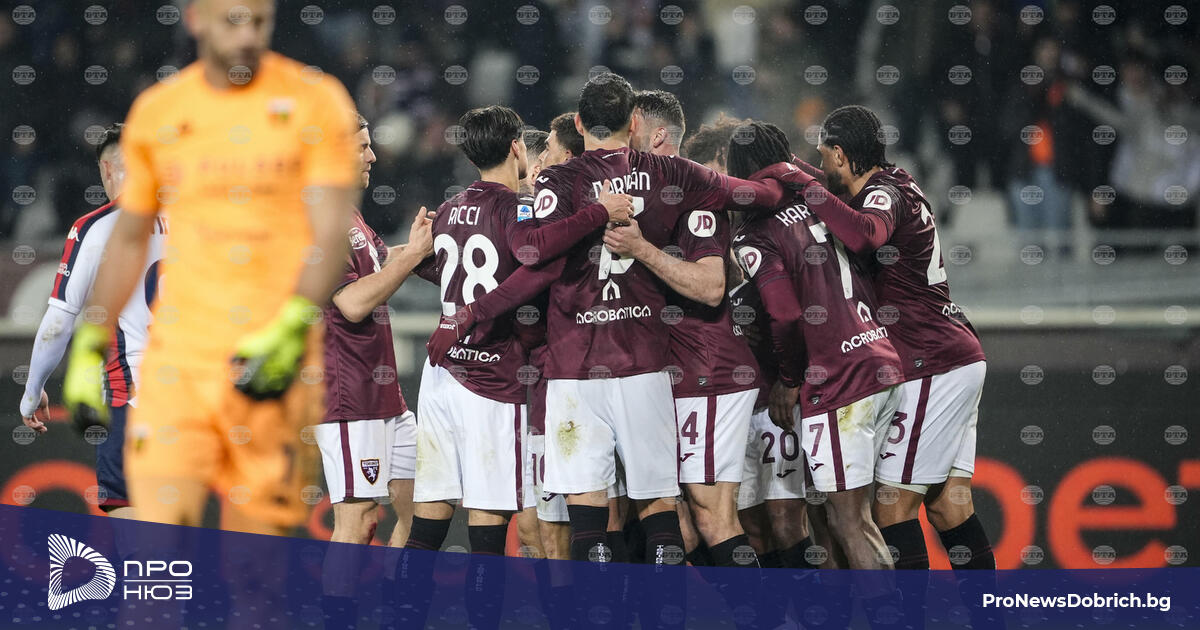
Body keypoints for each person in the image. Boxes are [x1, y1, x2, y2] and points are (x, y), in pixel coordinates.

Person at [425, 73, 801, 569]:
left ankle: (596, 607)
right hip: (644, 365)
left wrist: (470, 312)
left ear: (580, 124)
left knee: (590, 519)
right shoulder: (673, 173)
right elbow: (760, 196)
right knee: (660, 509)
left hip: (574, 369)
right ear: (635, 121)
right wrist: (798, 177)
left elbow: (535, 257)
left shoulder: (558, 181)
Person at [62, 0, 360, 536]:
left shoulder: (316, 102)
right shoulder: (160, 111)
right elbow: (128, 239)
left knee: (257, 564)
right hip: (177, 370)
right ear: (196, 19)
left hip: (268, 369)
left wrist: (293, 323)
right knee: (155, 548)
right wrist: (89, 342)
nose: (248, 36)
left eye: (260, 21)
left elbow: (330, 232)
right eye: (233, 21)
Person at [798, 105, 998, 627]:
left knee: (891, 506)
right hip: (955, 356)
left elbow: (867, 234)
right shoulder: (898, 183)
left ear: (841, 154)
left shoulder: (881, 194)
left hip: (929, 361)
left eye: (824, 158)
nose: (822, 168)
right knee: (950, 507)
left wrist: (805, 187)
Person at [728, 121, 902, 573]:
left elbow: (785, 314)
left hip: (839, 379)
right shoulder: (822, 201)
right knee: (831, 516)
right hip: (881, 360)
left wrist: (789, 380)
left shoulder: (753, 233)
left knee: (850, 522)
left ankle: (895, 611)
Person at [606, 90, 762, 569]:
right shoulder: (648, 198)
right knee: (677, 518)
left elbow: (712, 287)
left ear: (655, 136)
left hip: (707, 370)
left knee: (714, 516)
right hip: (669, 373)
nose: (622, 146)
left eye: (629, 133)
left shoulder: (692, 199)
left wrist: (641, 249)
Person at [316, 112, 433, 625]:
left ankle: (395, 612)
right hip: (348, 395)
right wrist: (411, 257)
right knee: (359, 520)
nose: (372, 156)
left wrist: (434, 241)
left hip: (383, 394)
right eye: (361, 146)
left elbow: (386, 263)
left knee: (422, 508)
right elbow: (352, 303)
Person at [19, 123, 164, 520]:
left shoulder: (96, 226)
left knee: (131, 519)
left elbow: (59, 319)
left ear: (107, 170)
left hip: (131, 395)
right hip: (194, 396)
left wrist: (32, 390)